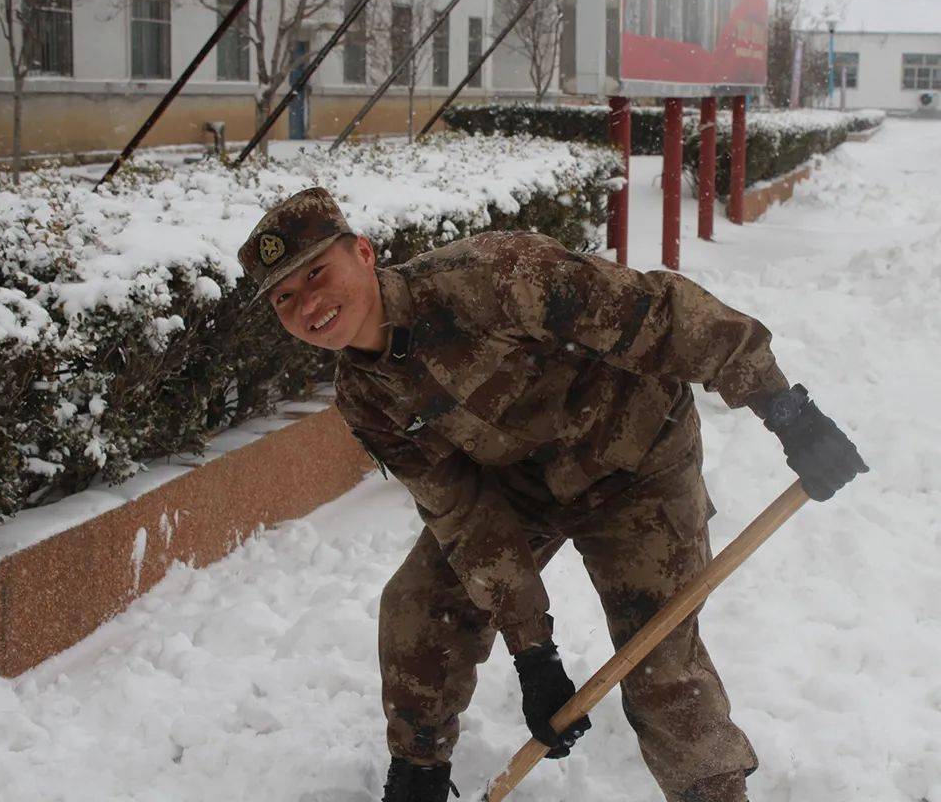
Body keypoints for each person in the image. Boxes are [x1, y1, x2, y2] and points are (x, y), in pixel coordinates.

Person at [237, 187, 867, 802]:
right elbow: (465, 517)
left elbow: (661, 315)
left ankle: (713, 793)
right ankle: (418, 777)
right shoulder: (365, 396)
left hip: (637, 461)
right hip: (524, 489)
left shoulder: (491, 277)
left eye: (318, 272)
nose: (307, 303)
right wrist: (532, 651)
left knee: (659, 661)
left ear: (365, 253)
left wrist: (785, 409)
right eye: (285, 296)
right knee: (419, 608)